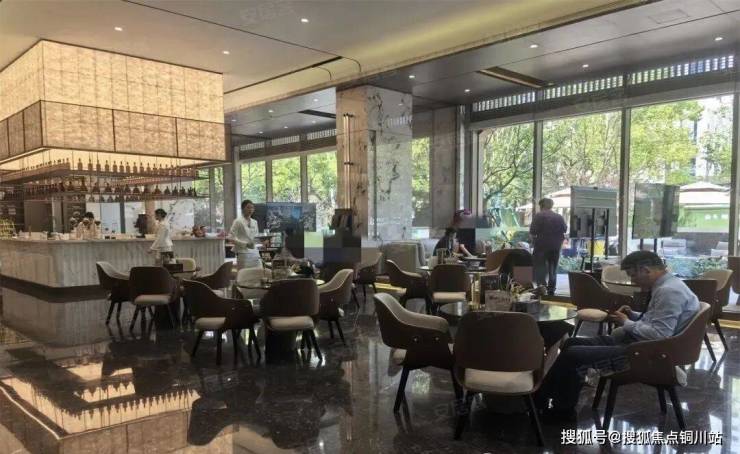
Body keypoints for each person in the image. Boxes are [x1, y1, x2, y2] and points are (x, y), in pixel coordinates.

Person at [536, 251, 700, 420]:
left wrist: (626, 322)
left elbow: (660, 335)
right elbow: (656, 322)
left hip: (645, 354)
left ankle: (557, 408)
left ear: (645, 270)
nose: (633, 281)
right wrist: (633, 315)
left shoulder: (669, 292)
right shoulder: (668, 286)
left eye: (633, 275)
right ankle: (550, 400)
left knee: (573, 355)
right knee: (571, 343)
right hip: (639, 345)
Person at [529, 198, 567, 295]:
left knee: (540, 266)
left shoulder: (538, 216)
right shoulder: (559, 217)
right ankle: (551, 289)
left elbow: (533, 231)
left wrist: (534, 241)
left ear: (542, 205)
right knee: (553, 267)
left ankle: (542, 287)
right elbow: (564, 229)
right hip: (555, 246)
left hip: (542, 246)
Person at [229, 199, 261, 269]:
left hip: (255, 252)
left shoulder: (255, 222)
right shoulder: (238, 221)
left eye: (252, 208)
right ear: (243, 209)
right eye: (248, 207)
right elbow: (231, 237)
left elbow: (256, 237)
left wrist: (262, 242)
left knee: (259, 271)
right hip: (243, 252)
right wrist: (245, 244)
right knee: (244, 273)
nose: (250, 209)